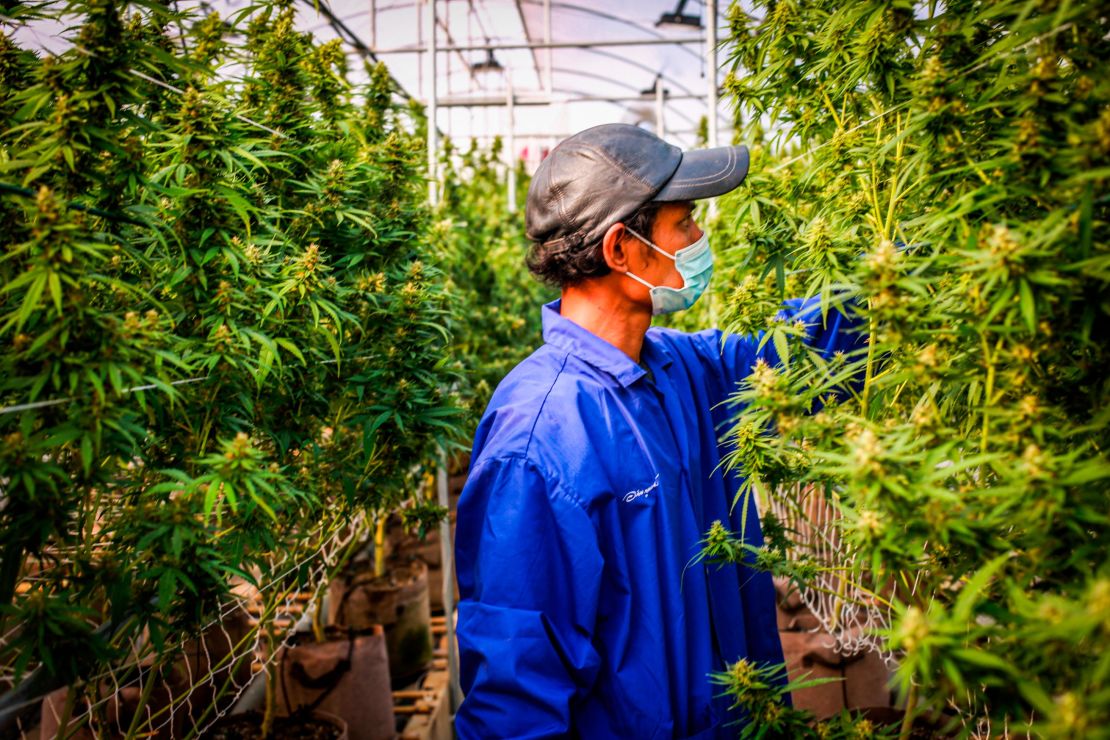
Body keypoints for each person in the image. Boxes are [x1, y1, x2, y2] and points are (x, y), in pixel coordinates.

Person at [454, 123, 865, 738]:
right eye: (685, 222)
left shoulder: (682, 369)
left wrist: (899, 274)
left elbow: (800, 354)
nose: (700, 238)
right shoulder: (540, 442)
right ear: (622, 249)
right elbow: (515, 700)